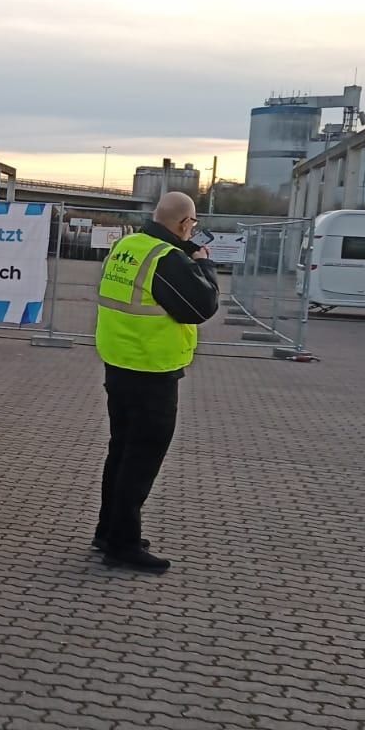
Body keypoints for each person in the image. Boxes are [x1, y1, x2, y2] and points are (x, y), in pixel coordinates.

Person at [93, 191, 221, 572]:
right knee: (141, 460)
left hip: (119, 364)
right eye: (193, 222)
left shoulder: (129, 246)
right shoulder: (169, 260)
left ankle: (108, 530)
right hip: (152, 371)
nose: (193, 229)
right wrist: (205, 268)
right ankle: (122, 543)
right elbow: (201, 307)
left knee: (121, 452)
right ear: (183, 224)